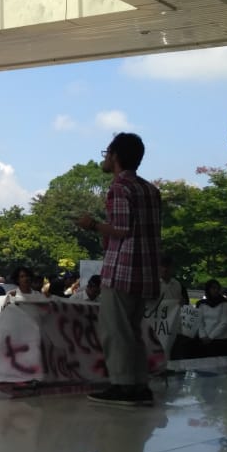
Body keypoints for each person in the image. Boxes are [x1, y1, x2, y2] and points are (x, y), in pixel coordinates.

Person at [78, 132, 161, 406]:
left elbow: (122, 230)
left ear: (115, 156)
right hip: (146, 269)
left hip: (123, 268)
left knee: (115, 330)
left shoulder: (119, 188)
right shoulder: (150, 190)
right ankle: (140, 385)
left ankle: (123, 386)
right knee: (134, 331)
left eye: (107, 153)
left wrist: (91, 224)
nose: (105, 158)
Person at [196, 280, 227, 357]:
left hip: (220, 339)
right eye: (213, 288)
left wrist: (211, 337)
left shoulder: (224, 303)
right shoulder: (201, 304)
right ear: (208, 289)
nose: (216, 290)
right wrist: (203, 335)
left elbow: (224, 322)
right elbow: (199, 321)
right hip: (204, 339)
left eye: (218, 288)